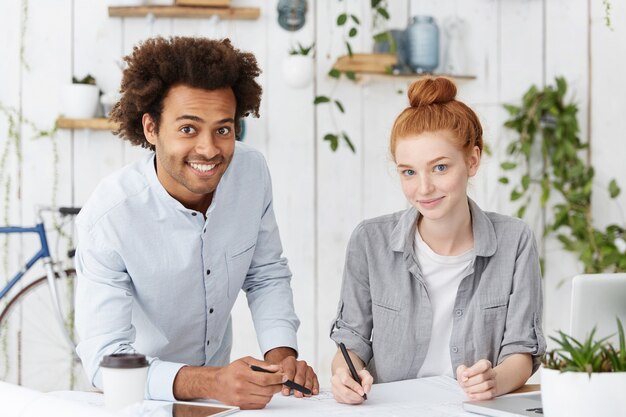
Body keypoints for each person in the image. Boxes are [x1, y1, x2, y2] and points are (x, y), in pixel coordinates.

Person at [75, 36, 318, 410]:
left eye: (223, 129)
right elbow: (105, 360)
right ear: (152, 128)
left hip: (217, 401)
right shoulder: (110, 217)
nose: (209, 149)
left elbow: (265, 272)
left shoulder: (251, 173)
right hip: (140, 400)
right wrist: (213, 381)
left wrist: (281, 355)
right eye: (188, 129)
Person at [329, 77, 546, 404]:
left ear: (472, 161)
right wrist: (344, 374)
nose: (424, 188)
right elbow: (352, 340)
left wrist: (494, 380)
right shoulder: (369, 241)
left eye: (440, 167)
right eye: (409, 172)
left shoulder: (515, 241)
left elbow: (521, 349)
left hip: (474, 410)